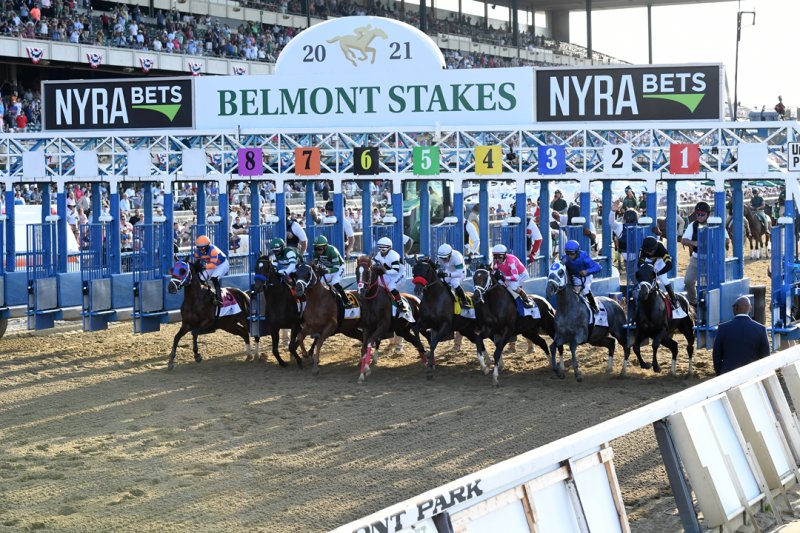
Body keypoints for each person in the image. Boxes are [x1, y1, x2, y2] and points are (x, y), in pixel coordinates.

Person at [712, 296, 769, 375]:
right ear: (750, 309)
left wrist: (720, 373)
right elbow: (765, 357)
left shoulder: (723, 328)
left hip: (727, 375)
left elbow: (716, 355)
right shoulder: (761, 329)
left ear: (735, 308)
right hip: (751, 375)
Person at [681, 201, 711, 308]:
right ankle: (693, 302)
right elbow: (683, 240)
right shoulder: (692, 225)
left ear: (708, 214)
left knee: (709, 283)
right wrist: (694, 243)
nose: (699, 216)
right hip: (696, 259)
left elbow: (726, 240)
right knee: (688, 281)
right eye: (698, 214)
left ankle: (709, 303)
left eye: (702, 214)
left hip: (711, 260)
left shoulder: (713, 224)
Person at [638, 236, 678, 308]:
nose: (649, 253)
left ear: (655, 248)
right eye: (647, 251)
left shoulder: (661, 249)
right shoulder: (643, 250)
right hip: (649, 260)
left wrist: (658, 273)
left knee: (663, 279)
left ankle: (674, 300)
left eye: (651, 251)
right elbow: (639, 264)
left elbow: (669, 265)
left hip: (660, 260)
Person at [561, 239, 601, 312]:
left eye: (572, 253)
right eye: (567, 253)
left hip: (586, 277)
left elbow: (598, 267)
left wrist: (587, 271)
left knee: (585, 290)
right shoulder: (564, 258)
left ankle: (594, 306)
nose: (569, 256)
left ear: (577, 252)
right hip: (575, 277)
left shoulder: (584, 257)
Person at [312, 235, 351, 307]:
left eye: (320, 249)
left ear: (325, 246)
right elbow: (315, 264)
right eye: (315, 248)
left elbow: (336, 268)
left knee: (334, 282)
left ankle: (346, 300)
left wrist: (326, 271)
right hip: (328, 268)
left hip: (339, 267)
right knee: (320, 282)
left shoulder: (332, 251)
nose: (318, 251)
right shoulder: (315, 253)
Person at [491, 243, 533, 308]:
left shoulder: (511, 261)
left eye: (500, 257)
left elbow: (516, 277)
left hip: (521, 275)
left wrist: (503, 277)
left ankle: (526, 299)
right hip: (510, 275)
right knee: (499, 283)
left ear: (504, 255)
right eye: (495, 257)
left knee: (512, 285)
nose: (497, 259)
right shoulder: (496, 261)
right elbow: (495, 271)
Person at [374, 237, 408, 314]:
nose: (381, 251)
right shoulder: (379, 254)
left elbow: (395, 271)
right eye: (379, 248)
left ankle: (401, 304)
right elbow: (373, 262)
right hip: (388, 273)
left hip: (399, 274)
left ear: (389, 248)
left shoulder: (394, 255)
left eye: (383, 249)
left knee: (391, 287)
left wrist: (384, 271)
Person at [193, 235, 229, 307]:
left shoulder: (213, 250)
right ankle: (206, 294)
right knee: (201, 279)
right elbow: (197, 262)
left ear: (208, 246)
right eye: (199, 248)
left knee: (214, 277)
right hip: (211, 264)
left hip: (222, 264)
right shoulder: (197, 252)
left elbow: (213, 265)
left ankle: (219, 299)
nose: (201, 250)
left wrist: (202, 266)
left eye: (203, 248)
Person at [436, 243, 468, 307]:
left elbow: (459, 273)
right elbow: (437, 266)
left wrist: (446, 274)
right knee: (439, 282)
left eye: (445, 258)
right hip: (449, 271)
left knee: (454, 282)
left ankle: (464, 301)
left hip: (460, 273)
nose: (443, 260)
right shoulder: (440, 257)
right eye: (442, 258)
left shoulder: (457, 257)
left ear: (450, 255)